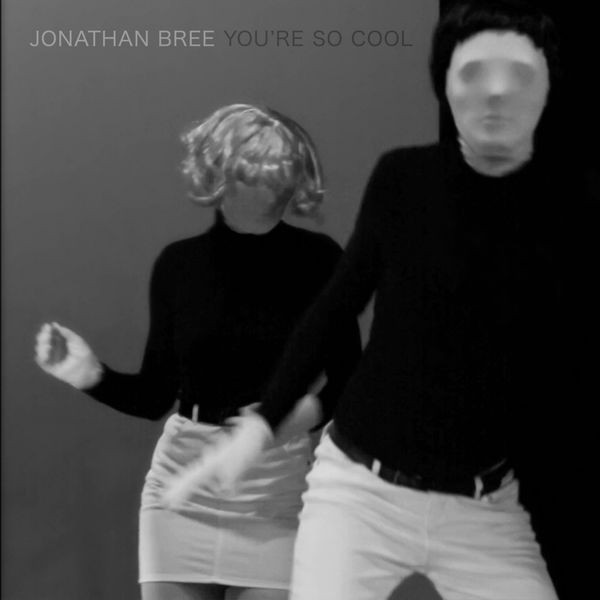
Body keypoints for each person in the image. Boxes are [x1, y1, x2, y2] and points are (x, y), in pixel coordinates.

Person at [163, 2, 594, 599]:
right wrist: (261, 425)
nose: (495, 93)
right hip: (359, 492)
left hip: (485, 508)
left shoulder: (570, 209)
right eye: (473, 73)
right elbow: (335, 309)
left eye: (518, 74)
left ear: (548, 85)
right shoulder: (404, 179)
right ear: (445, 84)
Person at [35, 104, 362, 600]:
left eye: (286, 169)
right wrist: (87, 373)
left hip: (273, 490)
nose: (278, 183)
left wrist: (293, 418)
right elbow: (154, 396)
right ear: (220, 174)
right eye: (260, 168)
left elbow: (350, 376)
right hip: (181, 487)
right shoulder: (179, 266)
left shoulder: (320, 260)